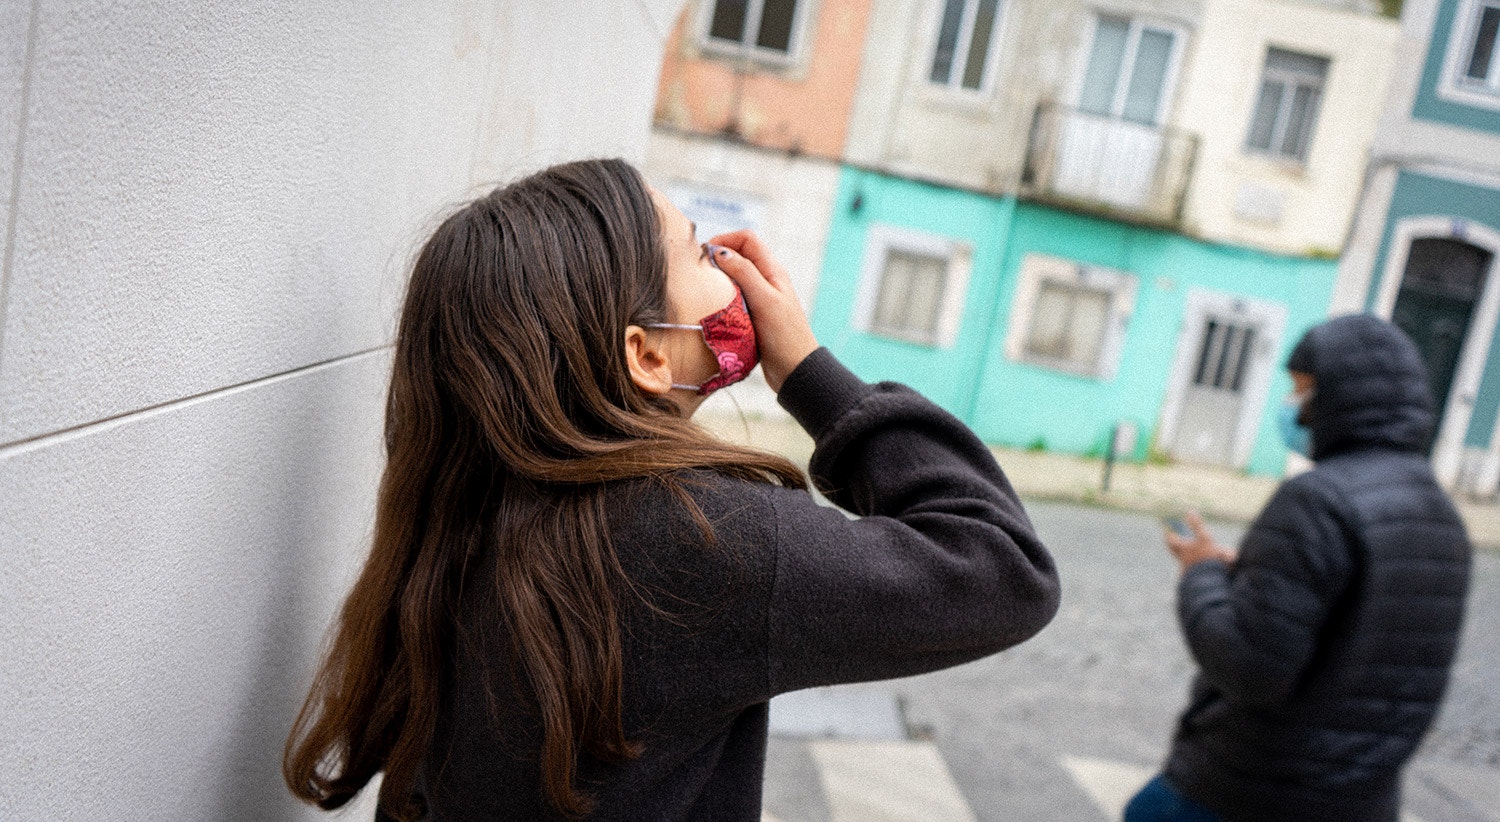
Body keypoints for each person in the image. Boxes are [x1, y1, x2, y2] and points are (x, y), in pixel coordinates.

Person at [281, 158, 1061, 821]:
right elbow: (1002, 565)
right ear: (645, 355)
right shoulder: (706, 539)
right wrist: (813, 377)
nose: (728, 269)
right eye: (698, 253)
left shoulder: (460, 518)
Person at [1125, 314, 1472, 822]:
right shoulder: (1441, 516)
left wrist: (1200, 572)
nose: (1294, 409)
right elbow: (1361, 624)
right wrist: (1254, 576)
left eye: (1302, 393)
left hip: (1250, 789)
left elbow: (1250, 665)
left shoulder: (1318, 500)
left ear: (1339, 399)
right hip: (1360, 801)